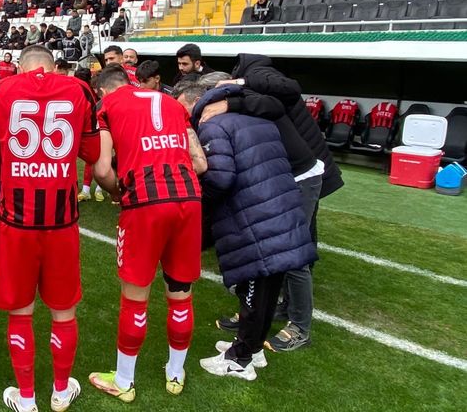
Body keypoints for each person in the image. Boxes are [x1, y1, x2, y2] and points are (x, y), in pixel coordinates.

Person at [0, 45, 101, 412]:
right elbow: (92, 155)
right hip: (62, 222)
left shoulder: (1, 89)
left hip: (18, 221)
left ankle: (26, 397)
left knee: (21, 311)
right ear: (52, 65)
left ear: (21, 66)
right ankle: (61, 391)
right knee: (63, 310)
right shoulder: (79, 89)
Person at [202, 54, 343, 351]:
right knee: (268, 251)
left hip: (301, 175)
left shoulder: (253, 96)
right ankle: (263, 312)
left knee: (291, 255)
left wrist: (234, 98)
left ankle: (300, 327)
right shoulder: (236, 109)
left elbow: (279, 100)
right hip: (280, 177)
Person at [179, 84, 317, 381]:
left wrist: (195, 196)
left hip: (257, 220)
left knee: (255, 295)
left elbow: (221, 177)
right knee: (266, 292)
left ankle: (239, 359)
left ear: (197, 103)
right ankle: (253, 349)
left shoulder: (213, 125)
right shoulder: (255, 118)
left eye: (184, 107)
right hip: (278, 212)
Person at [88, 64, 207, 402]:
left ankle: (124, 381)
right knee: (180, 293)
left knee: (135, 297)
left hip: (145, 201)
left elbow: (101, 169)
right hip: (188, 198)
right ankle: (175, 373)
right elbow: (200, 164)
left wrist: (115, 192)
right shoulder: (170, 102)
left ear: (103, 91)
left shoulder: (108, 107)